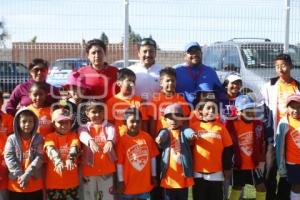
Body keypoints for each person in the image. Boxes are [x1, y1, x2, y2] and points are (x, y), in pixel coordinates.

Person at [261, 53, 299, 200]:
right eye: (277, 66)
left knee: (289, 171)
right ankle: (270, 196)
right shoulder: (269, 86)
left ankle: (283, 196)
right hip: (274, 134)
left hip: (293, 136)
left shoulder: (297, 86)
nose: (280, 69)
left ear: (290, 65)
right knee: (270, 169)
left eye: (283, 65)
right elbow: (262, 109)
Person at [226, 95, 274, 200]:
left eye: (252, 109)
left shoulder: (258, 124)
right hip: (238, 165)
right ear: (238, 111)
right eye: (247, 110)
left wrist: (260, 159)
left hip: (253, 164)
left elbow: (260, 142)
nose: (251, 113)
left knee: (261, 188)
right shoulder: (232, 124)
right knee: (237, 188)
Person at [190, 97, 233, 200]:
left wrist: (227, 168)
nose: (211, 111)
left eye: (214, 109)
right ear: (200, 111)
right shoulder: (194, 127)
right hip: (198, 173)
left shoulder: (221, 127)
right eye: (208, 108)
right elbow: (189, 148)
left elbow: (228, 149)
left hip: (216, 173)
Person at [116, 107, 159, 200]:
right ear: (124, 122)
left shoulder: (147, 137)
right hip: (128, 185)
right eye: (132, 121)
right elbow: (120, 163)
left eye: (138, 122)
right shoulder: (122, 141)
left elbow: (152, 158)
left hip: (144, 184)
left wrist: (154, 175)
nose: (135, 124)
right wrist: (120, 181)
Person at [155, 103, 196, 200]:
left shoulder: (184, 130)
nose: (173, 120)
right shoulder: (165, 131)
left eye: (177, 117)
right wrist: (159, 138)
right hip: (169, 176)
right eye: (170, 118)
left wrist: (192, 135)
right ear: (165, 120)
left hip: (183, 175)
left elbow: (188, 132)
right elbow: (163, 134)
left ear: (182, 119)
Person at [79, 100, 116, 200]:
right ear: (87, 114)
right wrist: (90, 141)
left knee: (107, 197)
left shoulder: (109, 126)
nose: (97, 114)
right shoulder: (84, 128)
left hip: (106, 169)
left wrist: (109, 141)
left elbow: (112, 133)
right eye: (94, 112)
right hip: (89, 170)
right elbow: (82, 135)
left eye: (100, 111)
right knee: (90, 196)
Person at [4, 108, 44, 200]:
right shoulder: (11, 139)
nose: (27, 124)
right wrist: (20, 175)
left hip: (35, 185)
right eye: (24, 121)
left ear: (35, 123)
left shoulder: (39, 138)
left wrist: (27, 175)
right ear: (18, 122)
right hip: (16, 185)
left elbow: (39, 157)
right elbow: (9, 157)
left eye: (30, 121)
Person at [44, 108, 80, 200]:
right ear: (53, 124)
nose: (64, 125)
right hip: (53, 183)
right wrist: (58, 161)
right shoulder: (49, 137)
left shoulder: (74, 135)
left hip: (71, 182)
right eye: (60, 122)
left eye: (67, 122)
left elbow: (74, 147)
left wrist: (70, 159)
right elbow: (50, 149)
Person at [148, 67, 190, 137]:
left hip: (178, 137)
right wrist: (153, 137)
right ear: (161, 83)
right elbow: (152, 121)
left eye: (173, 81)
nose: (170, 83)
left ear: (176, 82)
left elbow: (185, 121)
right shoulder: (156, 99)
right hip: (162, 138)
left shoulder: (181, 99)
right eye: (167, 81)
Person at [106, 68, 149, 136]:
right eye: (129, 81)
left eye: (133, 81)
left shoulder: (140, 101)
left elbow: (144, 124)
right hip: (119, 140)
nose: (132, 84)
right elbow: (109, 125)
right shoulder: (111, 102)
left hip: (136, 140)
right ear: (118, 83)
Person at [275, 93, 300, 200]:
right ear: (287, 108)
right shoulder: (284, 123)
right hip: (292, 162)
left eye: (299, 107)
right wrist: (281, 165)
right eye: (293, 107)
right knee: (296, 186)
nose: (296, 110)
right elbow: (279, 146)